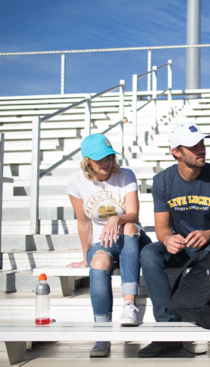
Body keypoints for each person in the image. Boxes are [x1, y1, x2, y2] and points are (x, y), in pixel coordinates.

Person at [138, 122, 210, 358]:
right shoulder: (162, 180)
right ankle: (168, 332)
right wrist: (168, 239)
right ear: (177, 152)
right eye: (193, 146)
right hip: (182, 248)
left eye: (202, 143)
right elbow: (161, 227)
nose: (201, 149)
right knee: (149, 253)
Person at [67, 133, 151, 357]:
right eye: (100, 158)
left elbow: (133, 215)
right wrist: (85, 255)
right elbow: (84, 222)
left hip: (133, 237)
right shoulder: (76, 181)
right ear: (87, 161)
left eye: (110, 156)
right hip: (105, 241)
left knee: (128, 227)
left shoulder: (126, 175)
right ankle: (102, 335)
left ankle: (129, 305)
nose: (107, 162)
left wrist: (116, 218)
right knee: (98, 263)